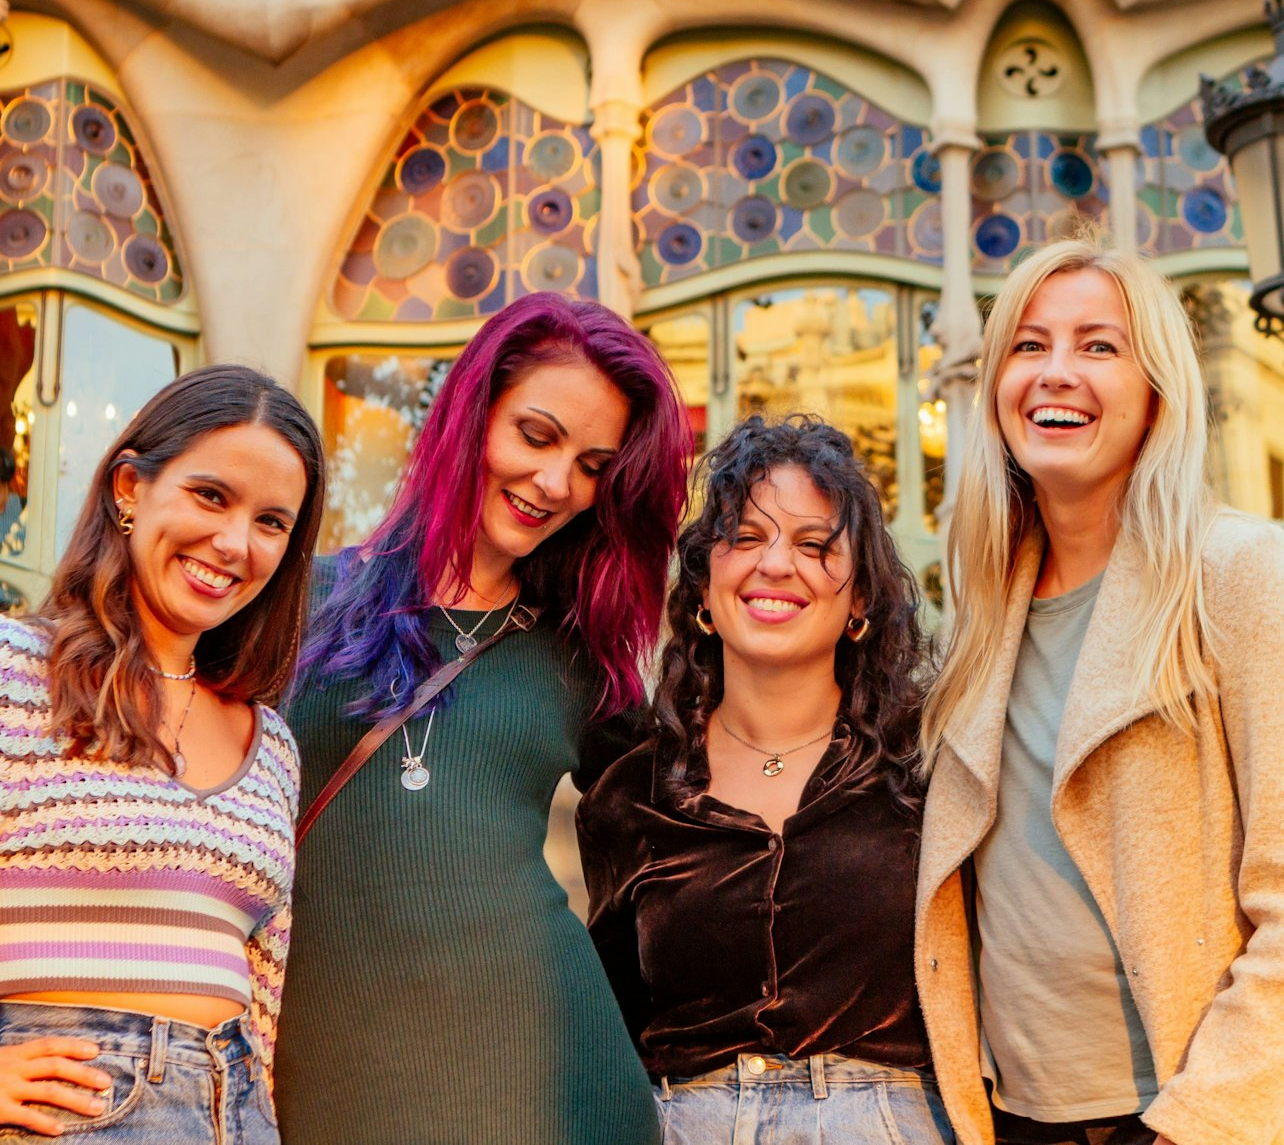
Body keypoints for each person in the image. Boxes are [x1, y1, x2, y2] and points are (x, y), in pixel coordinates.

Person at [277, 293, 691, 1145]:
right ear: (472, 415)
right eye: (536, 436)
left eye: (593, 466)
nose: (557, 484)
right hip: (332, 1075)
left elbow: (688, 838)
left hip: (551, 1088)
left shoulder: (580, 658)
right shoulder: (294, 605)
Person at [916, 235, 1284, 1145]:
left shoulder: (1241, 574)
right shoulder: (980, 612)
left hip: (1179, 1110)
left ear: (1157, 389)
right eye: (1028, 345)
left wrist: (1198, 1124)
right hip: (1014, 1117)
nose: (1056, 372)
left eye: (1099, 345)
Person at [578, 415, 955, 1145]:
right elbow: (609, 1023)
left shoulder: (927, 764)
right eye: (746, 537)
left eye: (814, 545)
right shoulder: (631, 792)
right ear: (703, 587)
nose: (776, 564)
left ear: (860, 601)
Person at [0, 364, 325, 1142]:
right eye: (210, 495)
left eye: (271, 522)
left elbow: (263, 992)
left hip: (234, 1113)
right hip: (69, 1112)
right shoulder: (12, 670)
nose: (234, 543)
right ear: (129, 488)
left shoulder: (271, 746)